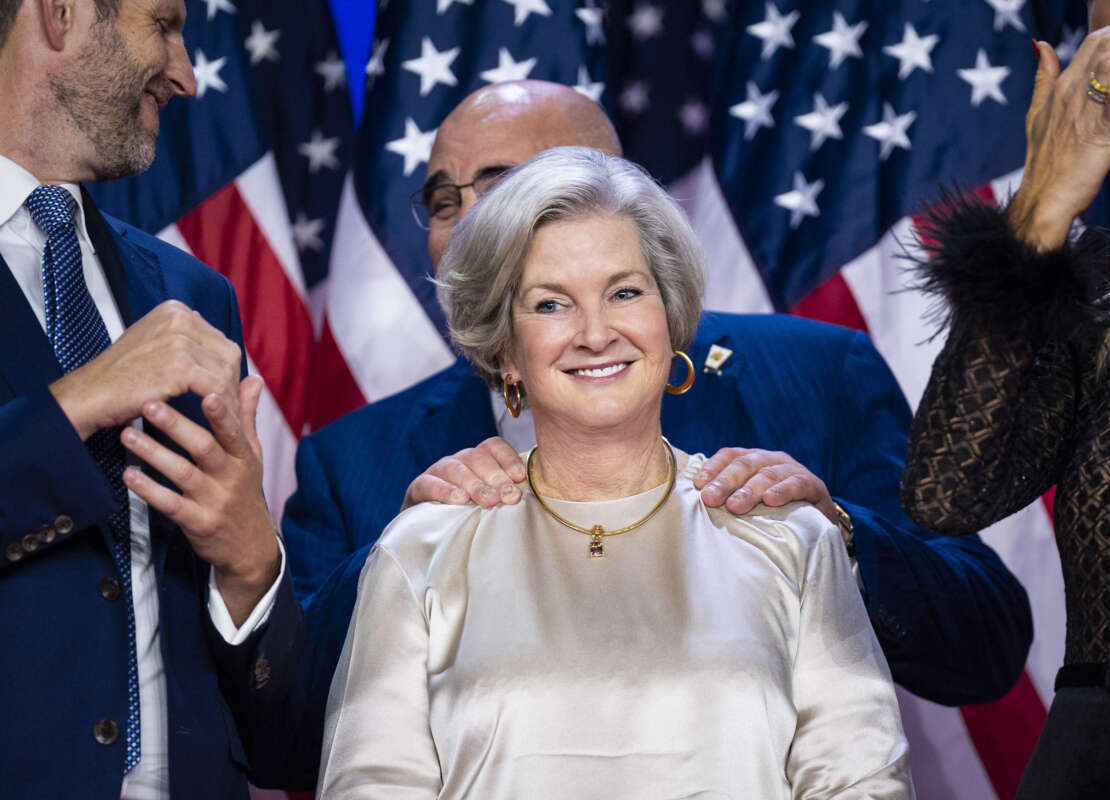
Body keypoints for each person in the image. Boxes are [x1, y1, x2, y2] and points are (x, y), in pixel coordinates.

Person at [283, 79, 1032, 709]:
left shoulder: (818, 377)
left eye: (510, 189)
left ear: (620, 201)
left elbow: (987, 646)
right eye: (444, 202)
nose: (467, 226)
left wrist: (842, 537)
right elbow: (285, 741)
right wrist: (394, 564)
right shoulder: (352, 462)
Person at [317, 146, 913, 798]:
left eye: (625, 292)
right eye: (551, 305)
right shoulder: (422, 549)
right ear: (505, 353)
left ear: (670, 318)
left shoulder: (790, 537)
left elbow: (864, 784)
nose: (595, 332)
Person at [0, 1, 298, 797]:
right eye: (163, 25)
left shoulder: (194, 294)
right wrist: (82, 400)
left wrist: (250, 563)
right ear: (61, 15)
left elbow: (274, 712)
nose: (188, 75)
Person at [902, 3, 1110, 797]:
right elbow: (943, 495)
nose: (1091, 106)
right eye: (1084, 66)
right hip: (1089, 756)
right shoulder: (1109, 282)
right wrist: (1038, 209)